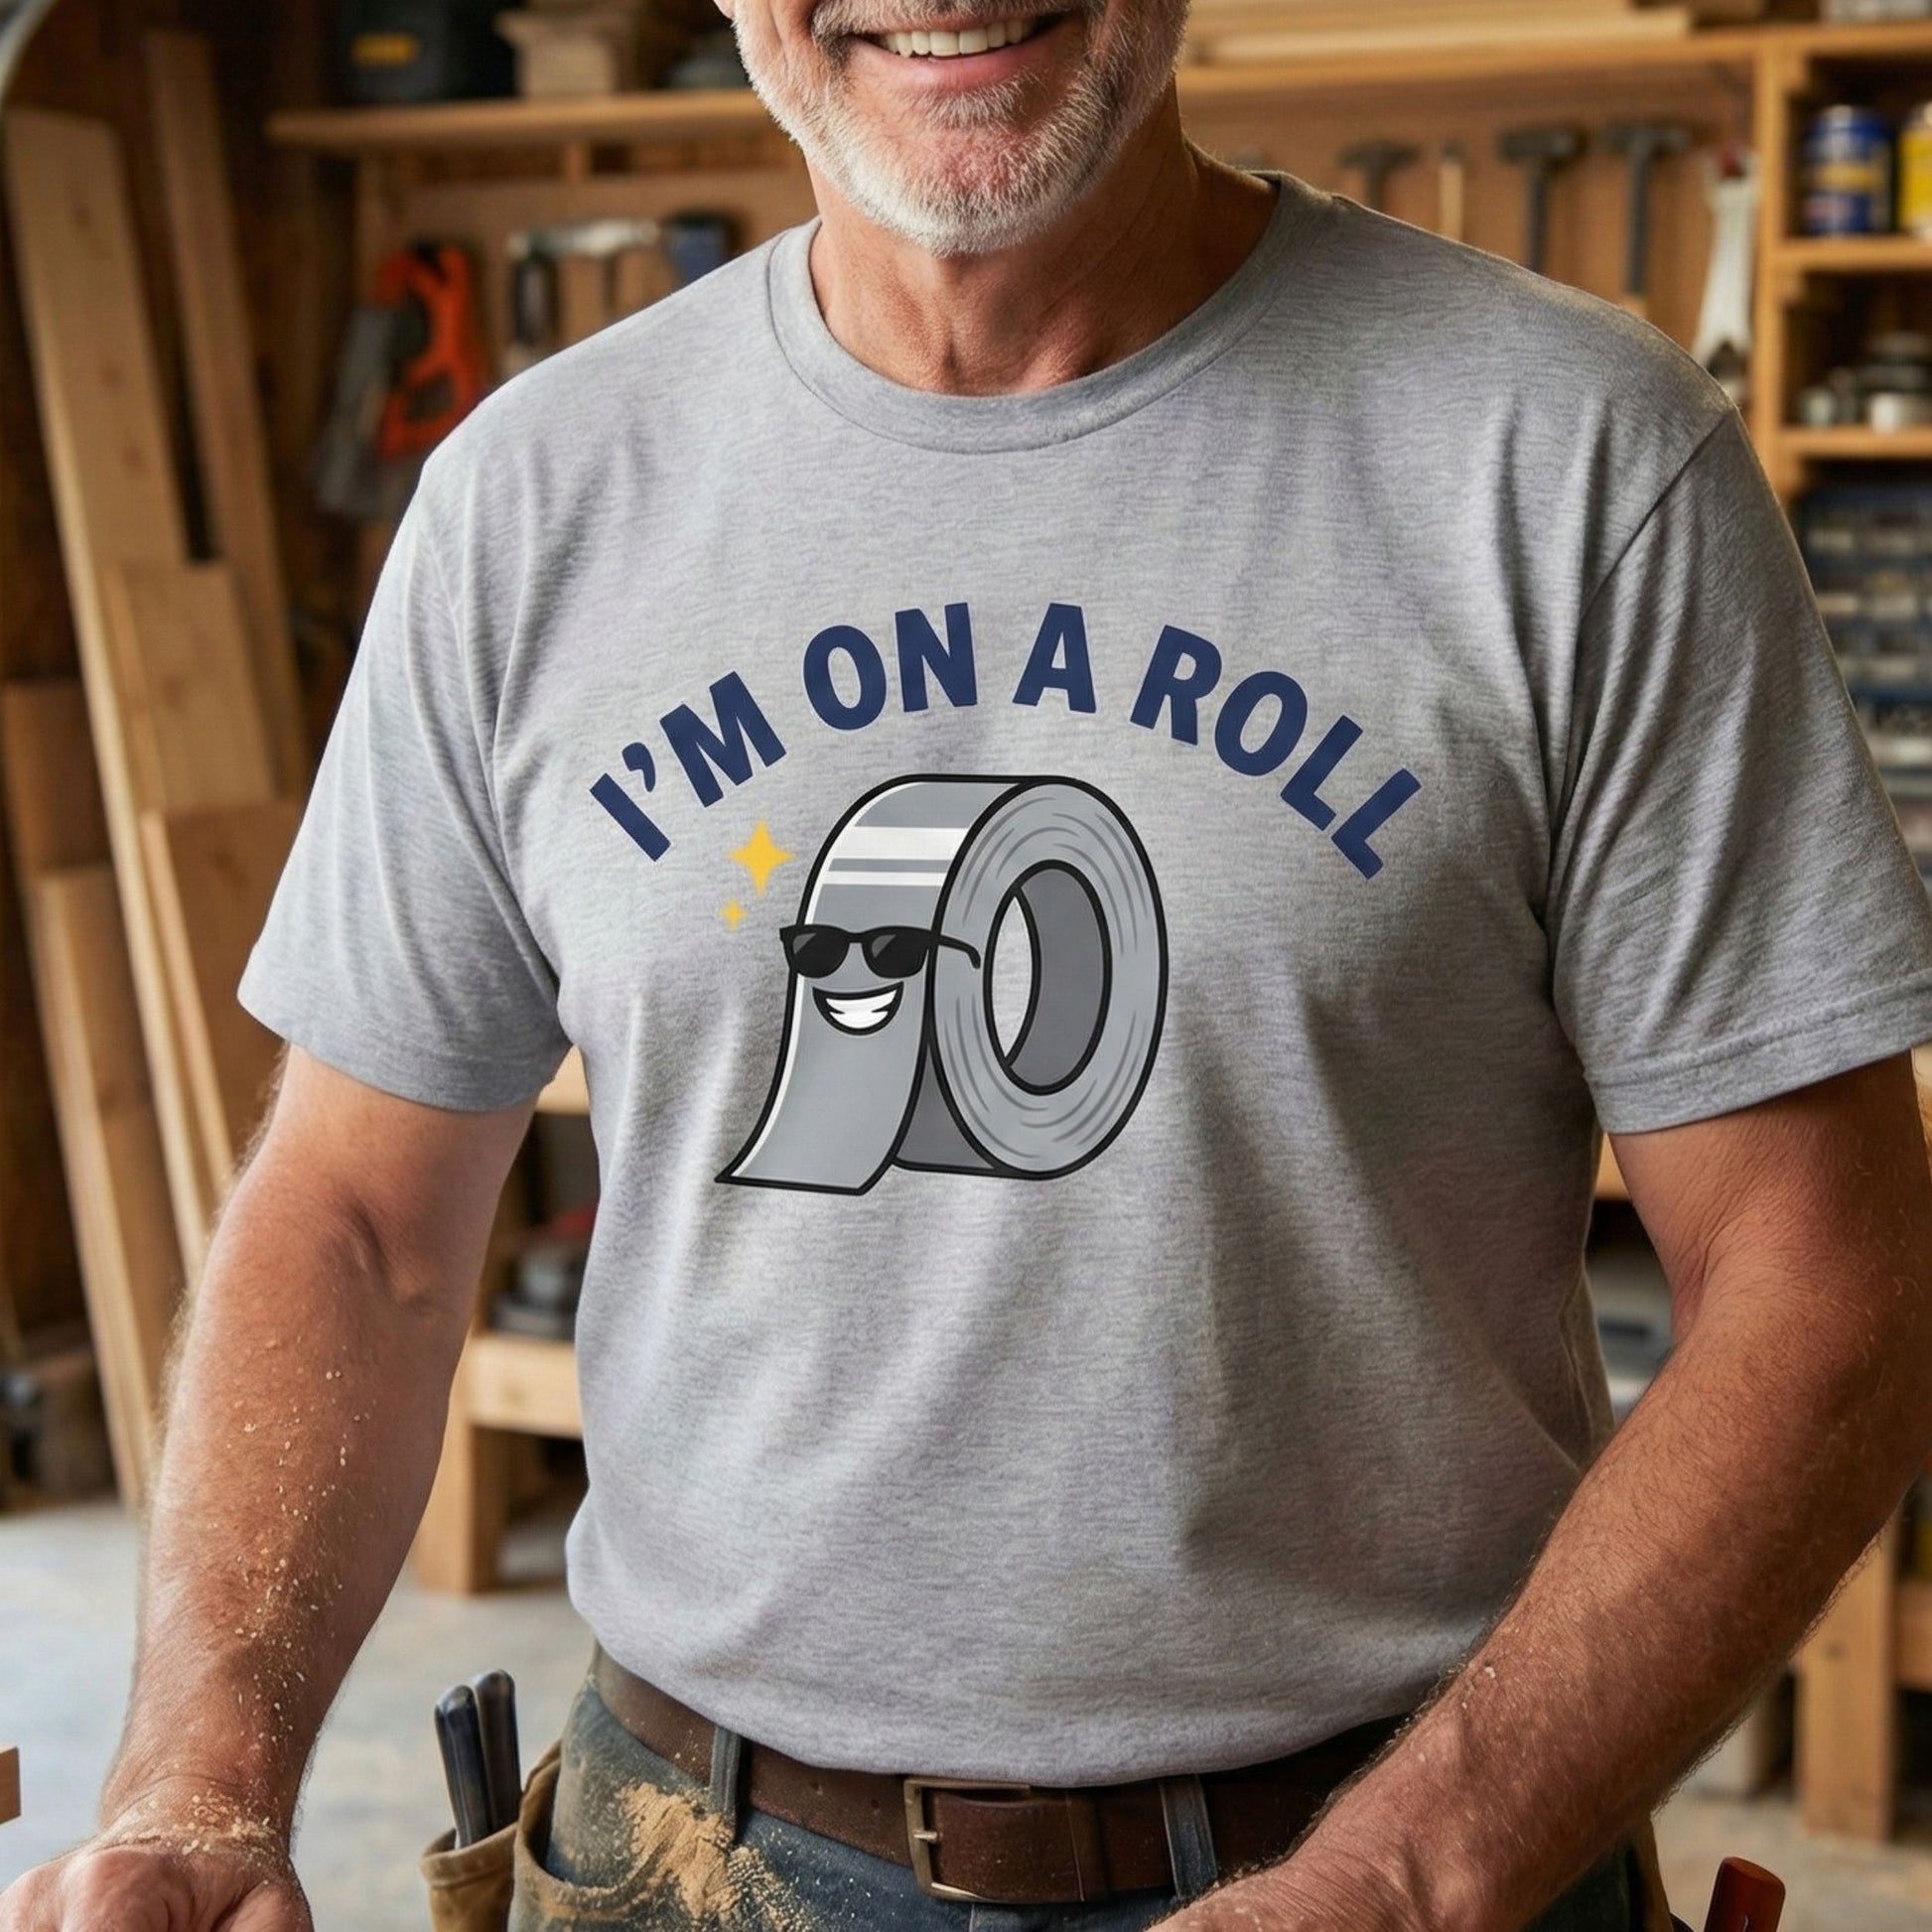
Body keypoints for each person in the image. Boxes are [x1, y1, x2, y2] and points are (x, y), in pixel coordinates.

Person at [11, 1, 1932, 1927]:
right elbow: (359, 1219)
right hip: (691, 1861)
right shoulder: (529, 502)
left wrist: (1415, 1873)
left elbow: (1824, 1272)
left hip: (1425, 1845)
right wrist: (196, 1780)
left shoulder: (1574, 465)